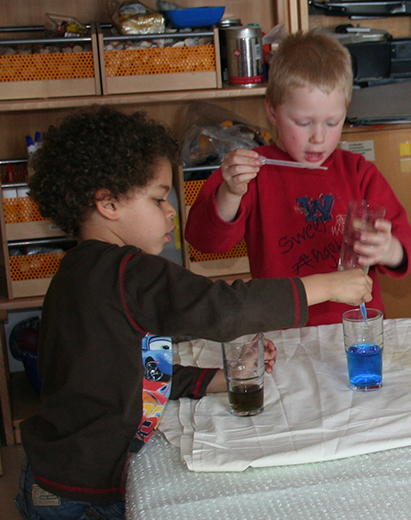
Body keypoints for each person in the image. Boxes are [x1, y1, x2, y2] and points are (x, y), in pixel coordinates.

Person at [15, 107, 372, 520]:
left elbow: (126, 368)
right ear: (109, 204)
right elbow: (223, 310)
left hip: (53, 475)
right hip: (82, 489)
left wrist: (216, 379)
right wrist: (325, 286)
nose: (171, 210)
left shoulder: (79, 270)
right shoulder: (129, 271)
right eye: (157, 199)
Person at [184, 31, 411, 326]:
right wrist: (230, 192)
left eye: (332, 122)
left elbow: (403, 245)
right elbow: (204, 241)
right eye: (303, 122)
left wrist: (389, 249)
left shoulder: (358, 172)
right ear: (272, 111)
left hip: (356, 328)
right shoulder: (253, 171)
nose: (318, 137)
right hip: (282, 328)